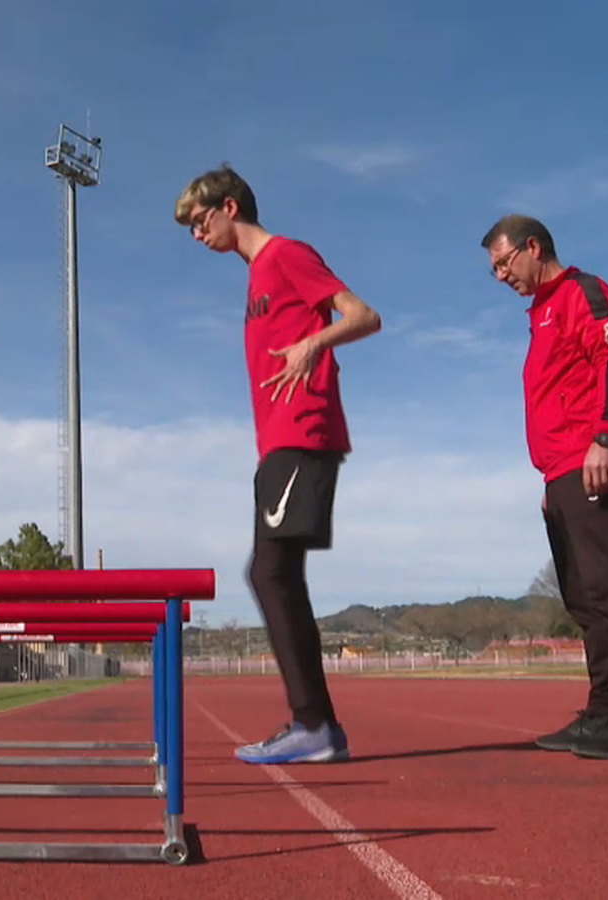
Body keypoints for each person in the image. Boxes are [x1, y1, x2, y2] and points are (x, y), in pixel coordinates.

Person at [174, 165, 381, 764]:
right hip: (278, 445)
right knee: (277, 575)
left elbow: (364, 315)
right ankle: (316, 727)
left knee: (270, 574)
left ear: (229, 207)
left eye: (199, 221)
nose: (196, 236)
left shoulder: (286, 255)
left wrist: (313, 344)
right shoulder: (254, 277)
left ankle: (313, 725)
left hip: (303, 433)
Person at [481, 214, 608, 760]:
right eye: (493, 269)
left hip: (594, 461)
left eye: (503, 262)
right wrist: (549, 478)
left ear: (532, 246)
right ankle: (604, 710)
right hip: (561, 472)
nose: (499, 276)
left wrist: (604, 437)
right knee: (583, 599)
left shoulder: (582, 292)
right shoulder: (540, 314)